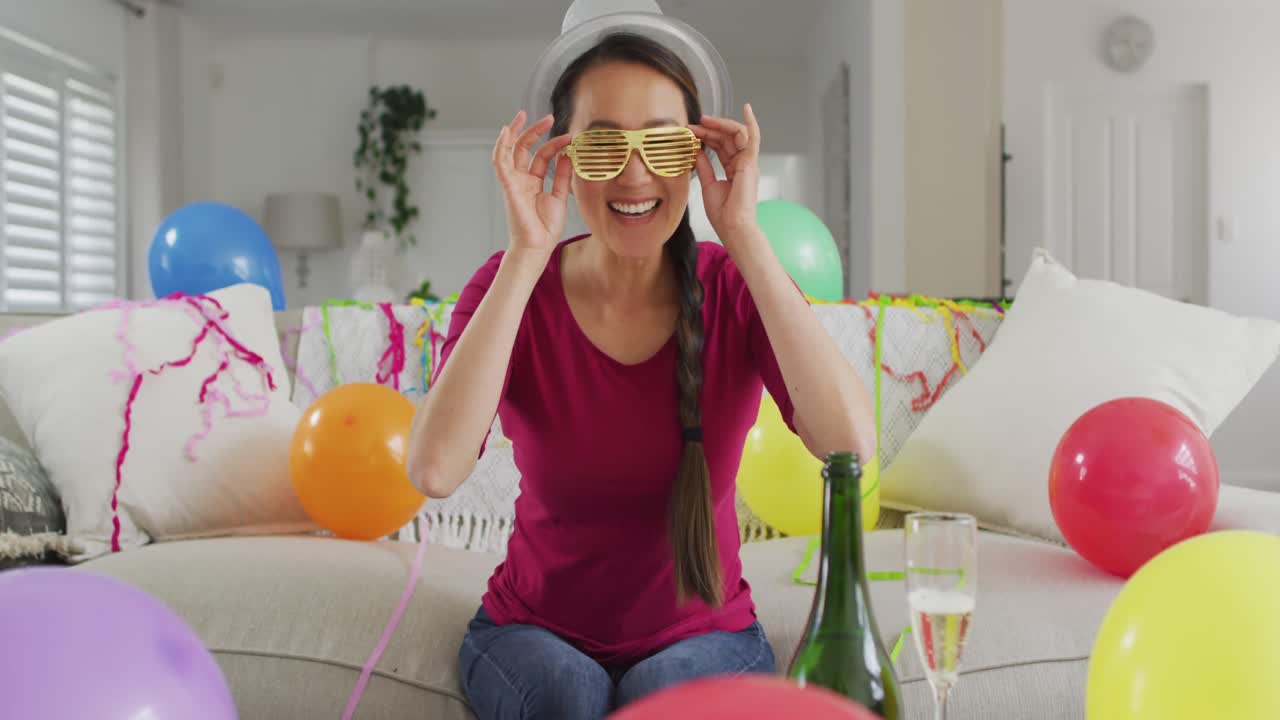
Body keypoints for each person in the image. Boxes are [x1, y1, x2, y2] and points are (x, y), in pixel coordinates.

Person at [406, 28, 874, 720]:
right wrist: (526, 251)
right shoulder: (511, 289)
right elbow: (435, 470)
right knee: (568, 694)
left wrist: (742, 233)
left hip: (708, 638)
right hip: (530, 633)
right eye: (602, 145)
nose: (633, 174)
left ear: (696, 156)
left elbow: (850, 446)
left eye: (662, 144)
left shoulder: (733, 289)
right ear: (562, 158)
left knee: (661, 698)